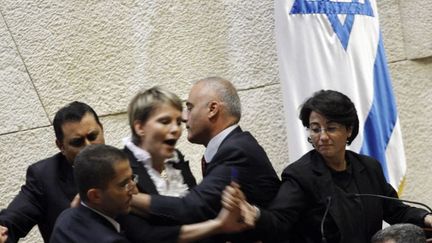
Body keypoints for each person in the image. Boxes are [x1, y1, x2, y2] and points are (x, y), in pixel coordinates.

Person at [223, 90, 432, 243]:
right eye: (315, 129)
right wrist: (257, 214)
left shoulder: (368, 168)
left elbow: (396, 211)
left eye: (331, 128)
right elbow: (280, 220)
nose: (322, 137)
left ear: (349, 130)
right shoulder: (300, 175)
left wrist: (426, 217)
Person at [131, 76, 281, 242]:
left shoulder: (237, 151)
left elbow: (193, 208)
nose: (183, 118)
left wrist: (127, 198)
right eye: (165, 121)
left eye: (189, 108)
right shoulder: (229, 147)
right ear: (140, 128)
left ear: (212, 109)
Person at [51, 144, 250, 243]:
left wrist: (219, 225)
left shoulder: (65, 218)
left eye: (132, 178)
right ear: (95, 196)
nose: (133, 189)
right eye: (123, 185)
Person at [0, 101, 105, 242]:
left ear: (102, 129)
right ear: (61, 146)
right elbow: (12, 221)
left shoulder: (123, 163)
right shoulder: (44, 177)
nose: (89, 147)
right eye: (77, 142)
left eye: (93, 136)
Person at [123, 86, 196, 196]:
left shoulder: (177, 158)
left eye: (178, 122)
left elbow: (195, 205)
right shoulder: (121, 167)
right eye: (165, 121)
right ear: (140, 128)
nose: (176, 129)